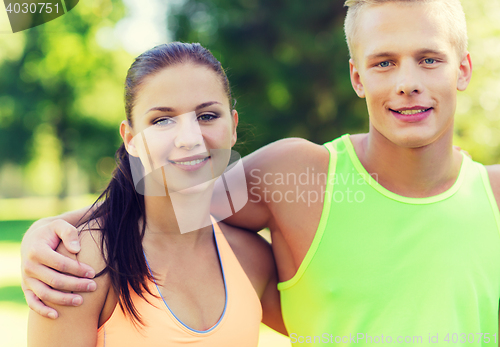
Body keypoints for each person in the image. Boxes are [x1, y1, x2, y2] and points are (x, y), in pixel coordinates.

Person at [22, 0, 500, 345]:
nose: (408, 83)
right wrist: (56, 230)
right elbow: (174, 198)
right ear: (357, 77)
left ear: (462, 69)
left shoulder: (494, 196)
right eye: (384, 63)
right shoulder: (295, 175)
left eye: (430, 59)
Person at [26, 42, 286, 347]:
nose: (189, 139)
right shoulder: (80, 265)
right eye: (163, 120)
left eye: (207, 116)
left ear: (233, 127)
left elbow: (338, 327)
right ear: (131, 139)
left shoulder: (252, 259)